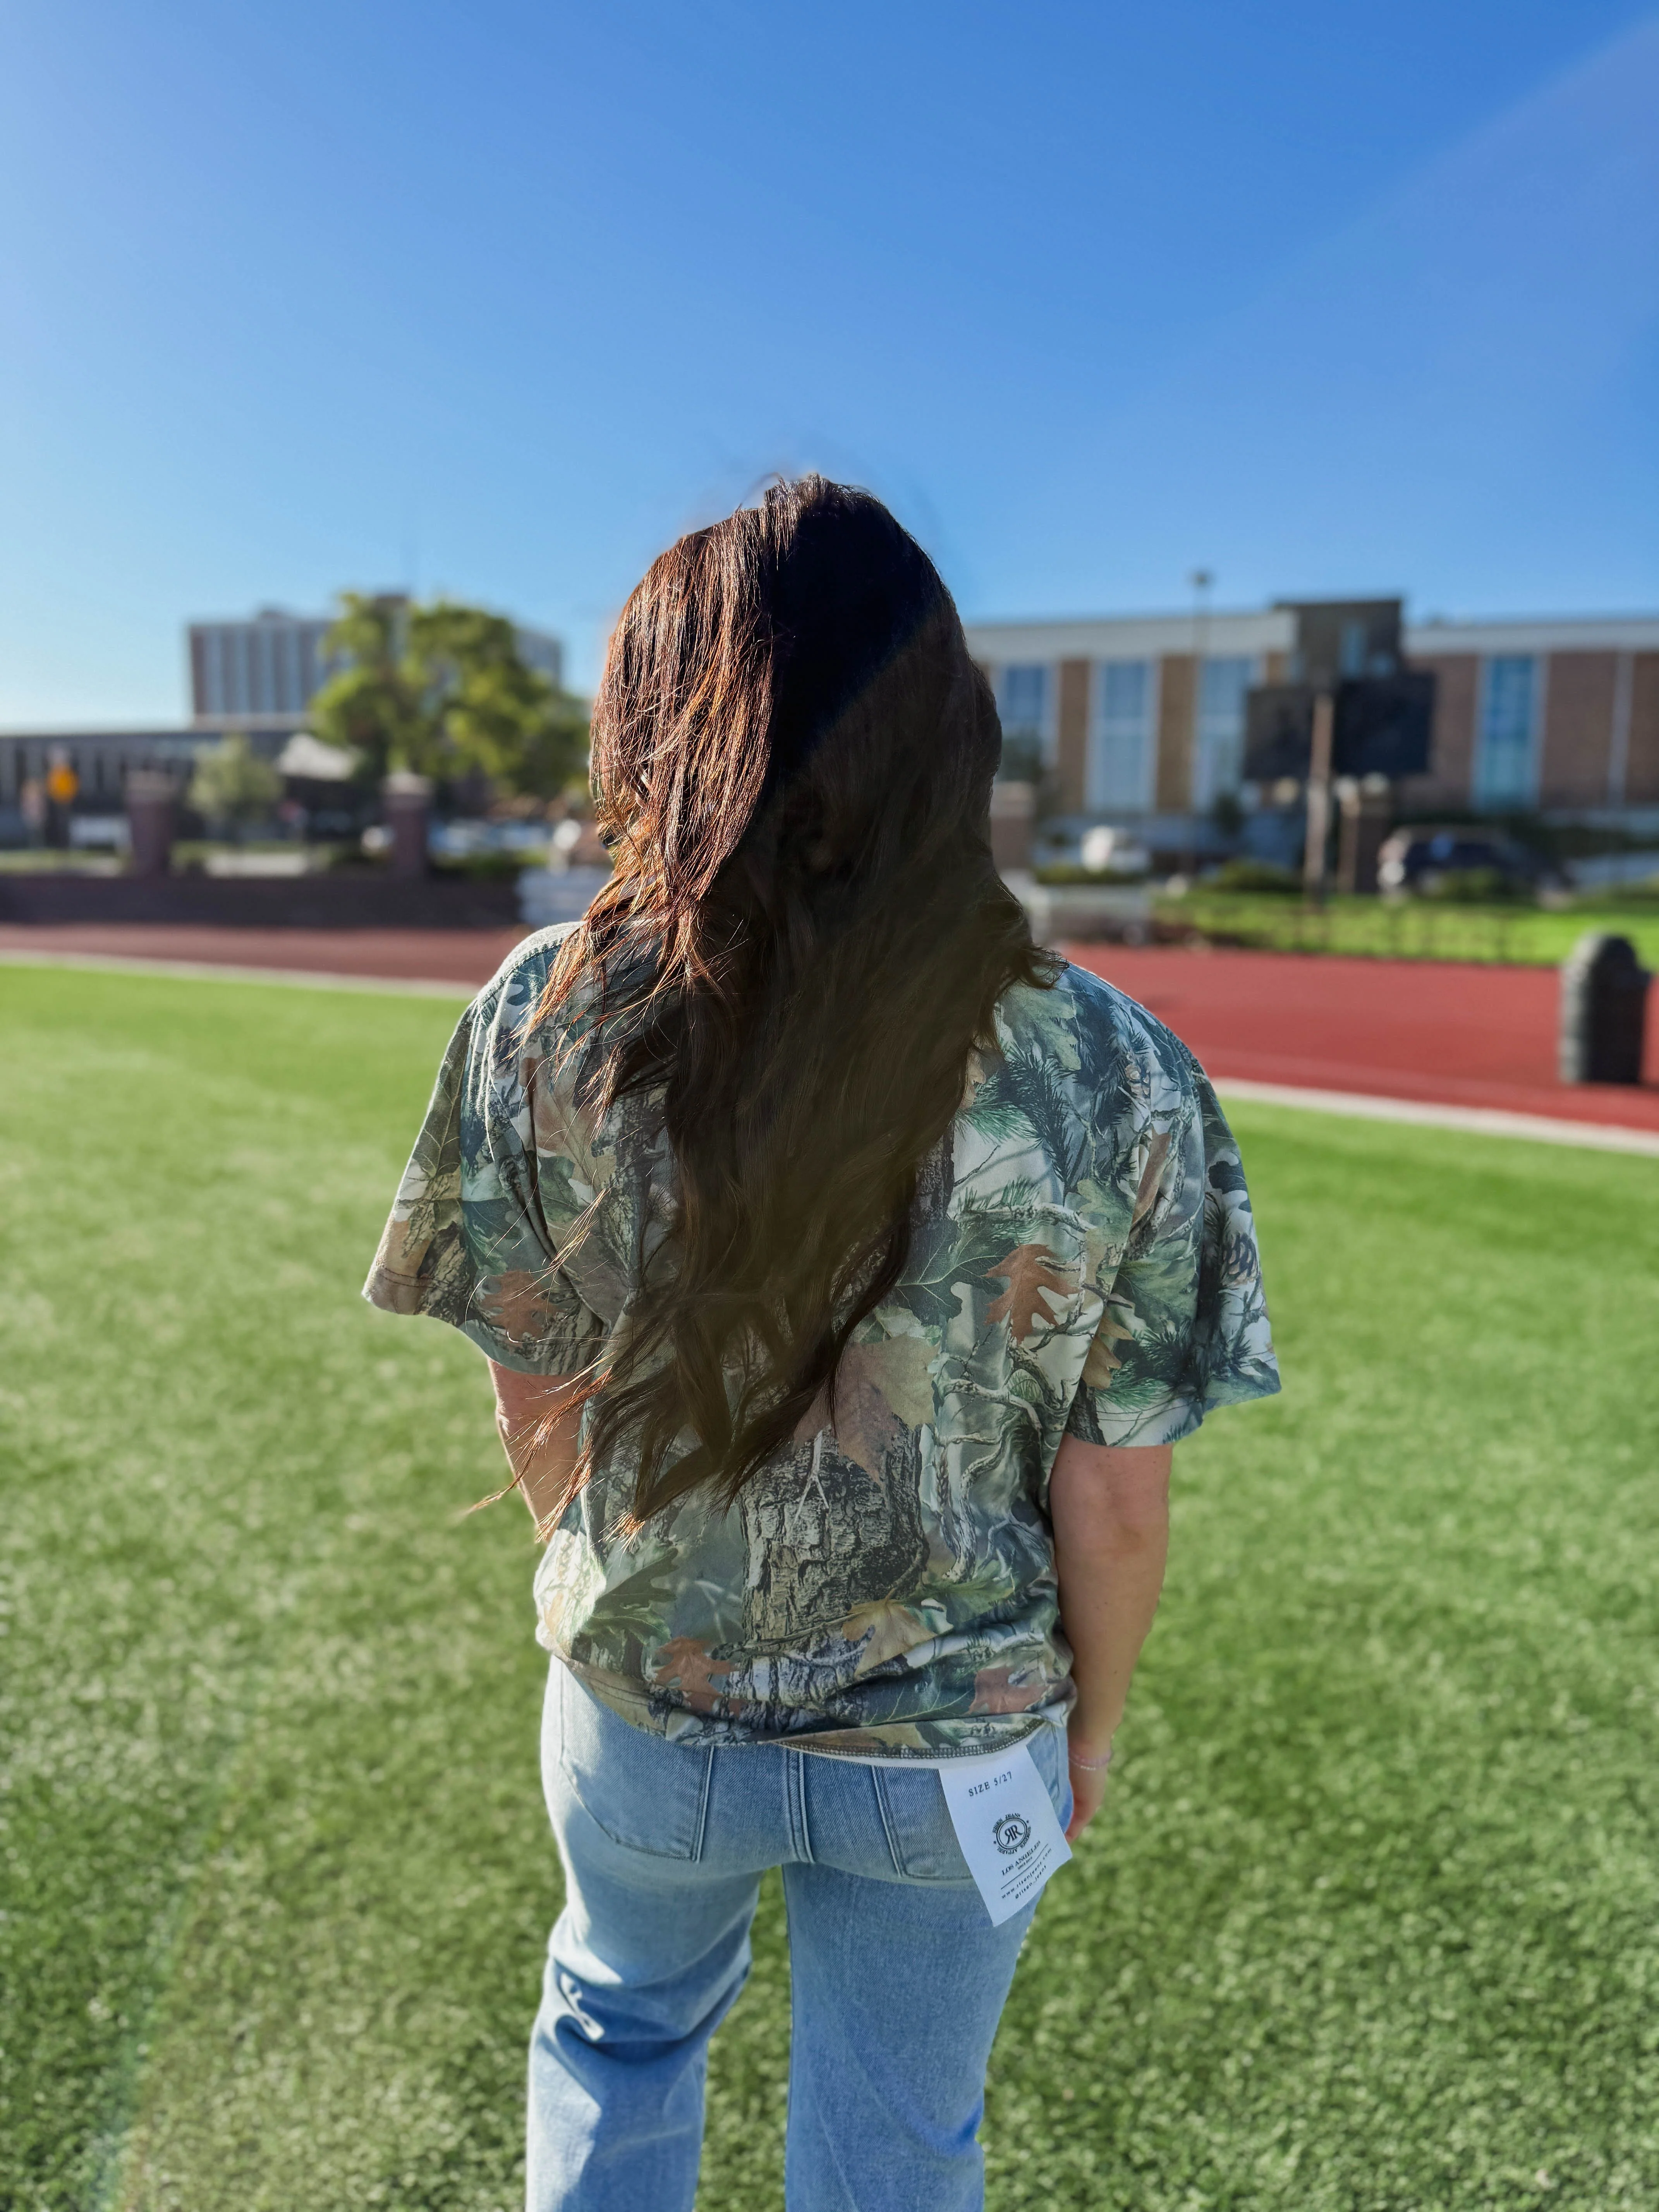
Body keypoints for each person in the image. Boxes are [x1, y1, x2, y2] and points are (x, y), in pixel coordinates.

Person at [365, 477, 1279, 2212]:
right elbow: (1115, 1499)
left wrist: (613, 1573)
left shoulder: (547, 1013)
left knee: (620, 2034)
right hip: (960, 1740)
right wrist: (1086, 1735)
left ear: (659, 727)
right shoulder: (1117, 1069)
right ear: (952, 740)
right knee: (899, 2144)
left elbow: (532, 1387)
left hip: (648, 1705)